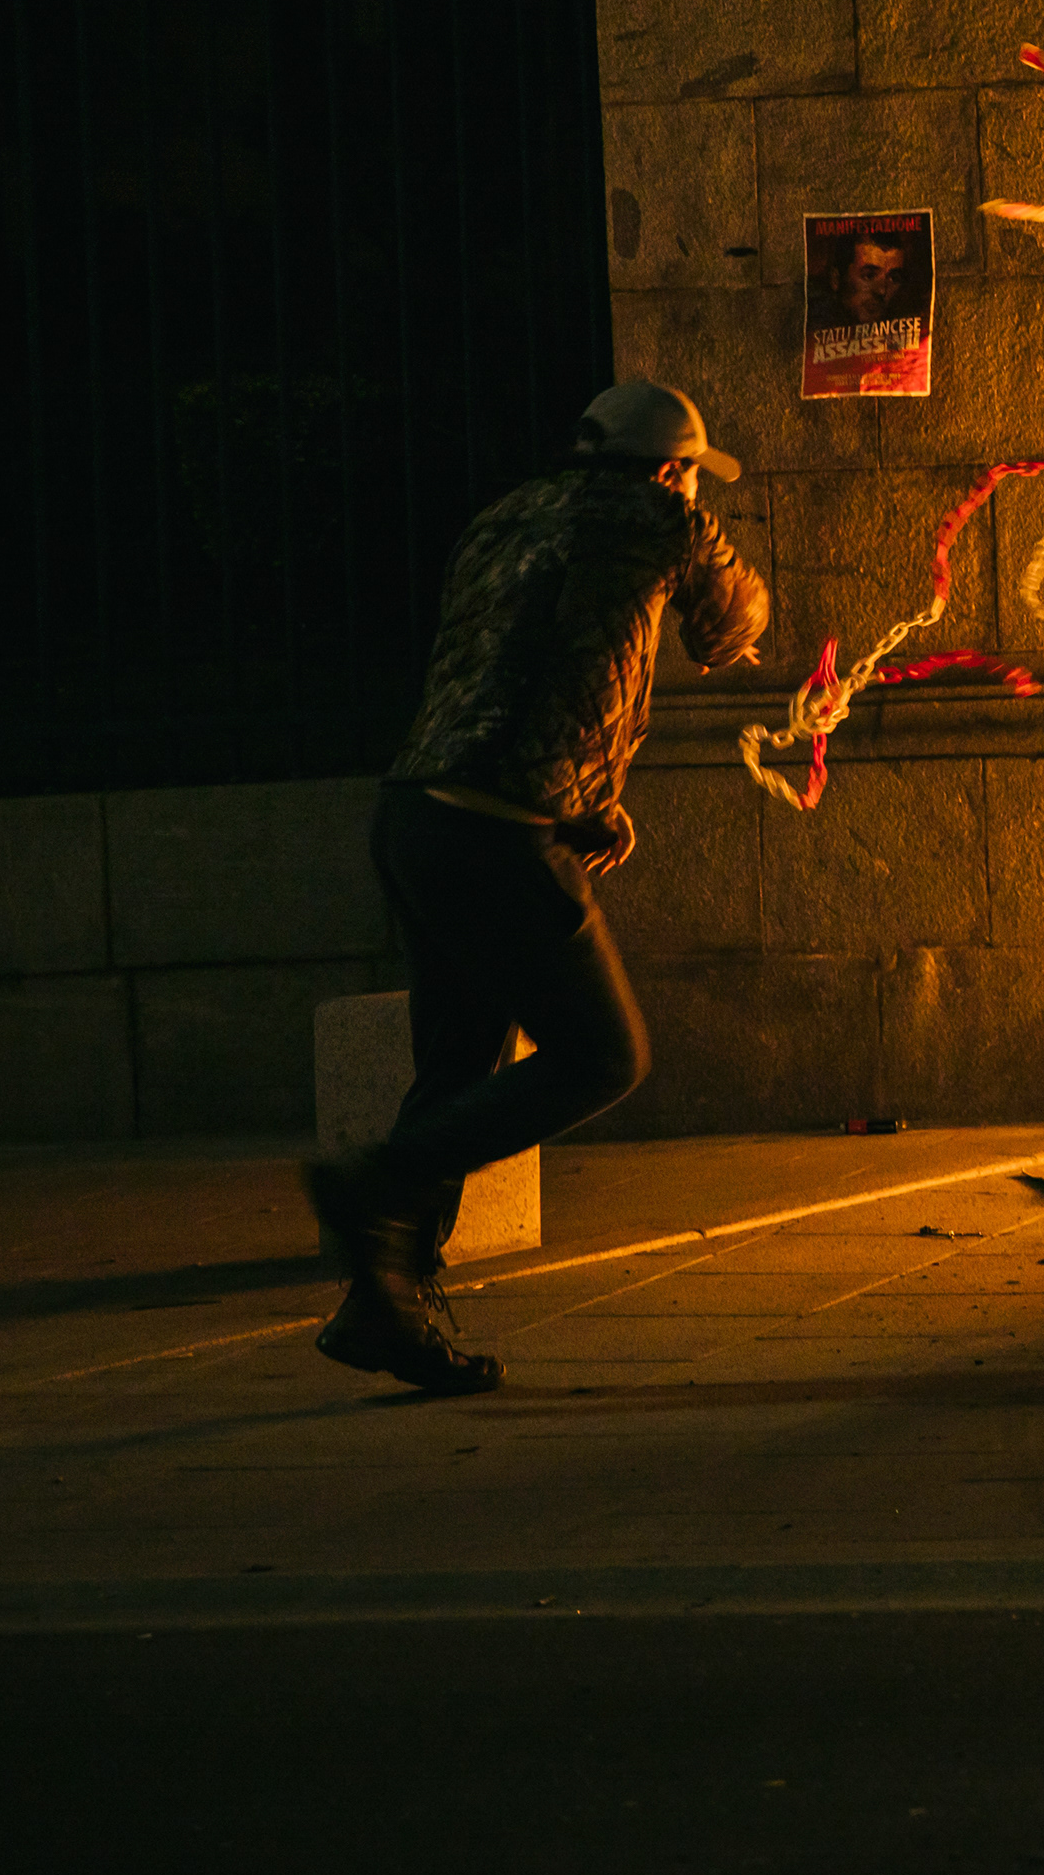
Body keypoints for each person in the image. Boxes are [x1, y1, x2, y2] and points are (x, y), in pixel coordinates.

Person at [303, 379, 771, 1394]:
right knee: (605, 1053)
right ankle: (374, 1184)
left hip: (419, 812)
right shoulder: (659, 518)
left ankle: (388, 1303)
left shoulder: (505, 517)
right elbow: (737, 621)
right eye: (690, 473)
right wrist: (701, 552)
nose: (692, 492)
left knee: (458, 1067)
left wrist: (582, 796)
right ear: (666, 469)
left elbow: (530, 673)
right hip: (496, 836)